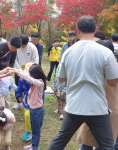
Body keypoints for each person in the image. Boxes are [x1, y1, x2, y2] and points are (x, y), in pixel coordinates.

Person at [48, 16, 118, 150]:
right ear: (95, 29)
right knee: (107, 145)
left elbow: (61, 78)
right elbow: (113, 82)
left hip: (74, 105)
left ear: (77, 29)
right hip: (97, 107)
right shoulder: (105, 53)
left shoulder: (69, 51)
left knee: (60, 141)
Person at [78, 37, 118, 150]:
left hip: (92, 111)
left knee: (87, 143)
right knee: (105, 144)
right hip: (111, 112)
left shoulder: (89, 68)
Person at [14, 64, 46, 150]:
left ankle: (35, 147)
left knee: (36, 131)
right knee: (34, 129)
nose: (30, 75)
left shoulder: (40, 83)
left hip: (37, 111)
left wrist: (18, 72)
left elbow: (29, 78)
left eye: (31, 74)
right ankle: (33, 145)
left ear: (35, 74)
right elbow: (28, 77)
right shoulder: (35, 81)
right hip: (33, 110)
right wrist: (16, 70)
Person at [0, 36, 22, 110]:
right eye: (13, 48)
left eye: (16, 49)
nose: (14, 50)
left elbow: (12, 62)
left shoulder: (14, 50)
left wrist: (10, 70)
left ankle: (4, 103)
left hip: (4, 69)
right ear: (9, 43)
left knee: (2, 86)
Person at [13, 35, 39, 109]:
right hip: (19, 70)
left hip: (30, 71)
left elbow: (35, 59)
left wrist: (31, 70)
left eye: (25, 45)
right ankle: (18, 103)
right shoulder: (17, 47)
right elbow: (14, 59)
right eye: (22, 45)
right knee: (18, 86)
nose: (23, 46)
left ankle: (28, 102)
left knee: (29, 87)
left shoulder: (32, 47)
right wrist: (20, 71)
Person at [15, 63, 32, 141]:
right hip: (26, 101)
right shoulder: (22, 79)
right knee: (26, 116)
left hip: (34, 103)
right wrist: (19, 96)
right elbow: (19, 88)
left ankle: (32, 132)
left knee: (29, 116)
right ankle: (28, 131)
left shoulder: (36, 81)